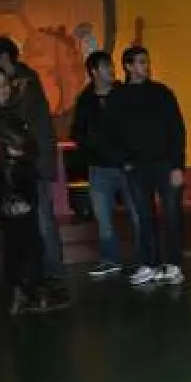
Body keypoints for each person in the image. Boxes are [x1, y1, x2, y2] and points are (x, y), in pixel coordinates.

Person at [0, 36, 68, 305]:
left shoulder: (24, 83)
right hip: (15, 176)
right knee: (23, 233)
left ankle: (48, 278)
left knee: (39, 226)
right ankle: (30, 284)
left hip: (30, 170)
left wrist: (28, 155)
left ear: (3, 56)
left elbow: (24, 139)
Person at [110, 45, 187, 286]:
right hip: (136, 166)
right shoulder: (118, 97)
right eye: (141, 62)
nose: (146, 66)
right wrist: (124, 161)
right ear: (128, 66)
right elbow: (111, 133)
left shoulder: (162, 93)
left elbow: (176, 129)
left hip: (164, 163)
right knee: (143, 216)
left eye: (146, 61)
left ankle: (173, 264)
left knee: (172, 214)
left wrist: (177, 165)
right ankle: (149, 264)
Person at [0, 66, 50, 314]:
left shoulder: (9, 114)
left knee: (23, 240)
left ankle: (25, 292)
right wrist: (24, 149)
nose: (4, 89)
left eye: (6, 84)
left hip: (19, 184)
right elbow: (18, 147)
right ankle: (25, 291)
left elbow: (30, 148)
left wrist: (24, 149)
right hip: (10, 188)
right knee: (22, 241)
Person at [70, 50, 140, 278]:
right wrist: (91, 149)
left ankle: (145, 258)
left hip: (127, 165)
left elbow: (135, 127)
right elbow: (78, 132)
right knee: (103, 218)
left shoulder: (124, 94)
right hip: (99, 167)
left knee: (137, 213)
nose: (112, 70)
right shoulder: (85, 100)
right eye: (106, 66)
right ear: (94, 72)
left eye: (111, 66)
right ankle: (111, 259)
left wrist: (130, 155)